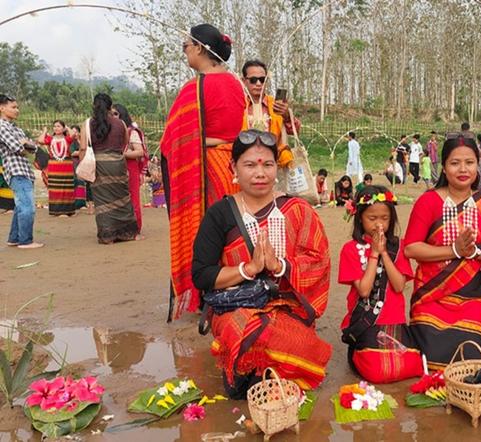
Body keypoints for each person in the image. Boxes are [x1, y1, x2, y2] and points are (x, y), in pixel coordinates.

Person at [191, 129, 332, 395]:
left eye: (268, 164)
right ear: (233, 167)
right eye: (250, 165)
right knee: (250, 330)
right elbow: (202, 275)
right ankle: (250, 369)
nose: (260, 173)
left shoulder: (298, 209)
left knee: (294, 347)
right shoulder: (219, 214)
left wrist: (280, 266)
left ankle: (264, 372)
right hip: (236, 306)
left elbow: (319, 263)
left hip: (287, 306)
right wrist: (249, 269)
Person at [160, 23, 245, 320]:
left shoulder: (193, 88)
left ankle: (205, 294)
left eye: (187, 44)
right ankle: (236, 287)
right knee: (233, 230)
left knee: (205, 233)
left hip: (204, 171)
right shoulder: (236, 83)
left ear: (199, 48)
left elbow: (171, 141)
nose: (184, 49)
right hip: (233, 170)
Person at [404, 136, 481, 369]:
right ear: (444, 167)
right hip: (432, 293)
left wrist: (476, 251)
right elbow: (411, 248)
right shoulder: (428, 202)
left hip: (474, 294)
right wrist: (454, 250)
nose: (462, 169)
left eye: (469, 163)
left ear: (478, 166)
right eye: (454, 163)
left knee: (471, 354)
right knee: (431, 353)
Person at [339, 185, 423, 383]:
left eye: (384, 218)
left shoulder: (398, 246)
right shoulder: (350, 249)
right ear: (360, 217)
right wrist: (374, 253)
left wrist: (385, 252)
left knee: (410, 365)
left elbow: (398, 286)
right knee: (378, 371)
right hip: (367, 322)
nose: (379, 225)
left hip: (394, 320)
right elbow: (365, 290)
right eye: (372, 218)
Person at [78, 94, 140, 244]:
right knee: (123, 198)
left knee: (103, 201)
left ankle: (107, 235)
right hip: (118, 164)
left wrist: (83, 165)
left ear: (94, 106)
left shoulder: (87, 124)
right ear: (110, 107)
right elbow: (124, 143)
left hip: (99, 165)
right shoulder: (121, 123)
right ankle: (127, 233)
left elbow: (83, 148)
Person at [240, 59, 300, 184]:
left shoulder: (276, 105)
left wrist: (287, 116)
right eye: (253, 80)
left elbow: (294, 131)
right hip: (246, 165)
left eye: (262, 79)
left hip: (274, 165)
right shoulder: (238, 105)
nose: (258, 83)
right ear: (243, 81)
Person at [0, 94, 42, 248]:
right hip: (16, 171)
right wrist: (24, 144)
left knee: (20, 207)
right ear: (2, 108)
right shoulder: (2, 126)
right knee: (27, 207)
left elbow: (33, 148)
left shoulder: (15, 128)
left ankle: (14, 238)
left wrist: (26, 144)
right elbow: (17, 147)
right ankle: (25, 241)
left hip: (24, 170)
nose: (17, 110)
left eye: (17, 107)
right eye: (13, 107)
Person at [113, 104, 149, 235]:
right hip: (115, 168)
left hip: (129, 168)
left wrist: (122, 154)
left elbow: (140, 152)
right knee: (117, 198)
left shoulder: (131, 132)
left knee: (132, 198)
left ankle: (134, 228)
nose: (113, 117)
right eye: (111, 114)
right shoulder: (111, 132)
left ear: (122, 115)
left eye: (116, 114)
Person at [37, 120, 76, 216]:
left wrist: (67, 127)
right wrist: (45, 131)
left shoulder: (67, 139)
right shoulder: (50, 139)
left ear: (63, 128)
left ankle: (68, 211)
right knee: (55, 187)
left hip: (66, 166)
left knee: (66, 187)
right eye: (54, 126)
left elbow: (73, 134)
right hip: (54, 166)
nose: (56, 128)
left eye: (58, 126)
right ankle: (56, 211)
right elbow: (40, 141)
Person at [68, 125, 89, 212]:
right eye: (73, 132)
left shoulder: (83, 141)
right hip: (75, 163)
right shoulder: (72, 142)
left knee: (84, 183)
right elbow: (72, 153)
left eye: (76, 132)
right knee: (77, 182)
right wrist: (82, 151)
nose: (75, 134)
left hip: (84, 163)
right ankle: (78, 203)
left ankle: (84, 202)